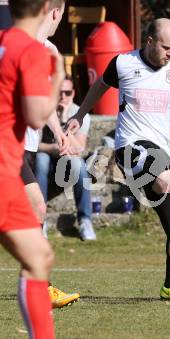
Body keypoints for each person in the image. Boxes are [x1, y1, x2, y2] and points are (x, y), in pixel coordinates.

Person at [66, 18, 170, 302]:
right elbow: (99, 86)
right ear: (149, 42)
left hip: (162, 148)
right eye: (165, 47)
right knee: (167, 181)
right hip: (130, 146)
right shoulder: (123, 63)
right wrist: (80, 114)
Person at [0, 0, 65, 336]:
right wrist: (59, 77)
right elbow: (36, 115)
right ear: (49, 9)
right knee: (38, 259)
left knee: (38, 257)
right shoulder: (34, 51)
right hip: (2, 171)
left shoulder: (2, 41)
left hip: (7, 171)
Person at [18, 0, 81, 309]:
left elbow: (43, 103)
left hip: (26, 146)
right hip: (10, 145)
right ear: (54, 12)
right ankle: (39, 287)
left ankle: (36, 285)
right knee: (37, 208)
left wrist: (58, 132)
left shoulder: (51, 51)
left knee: (32, 212)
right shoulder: (19, 45)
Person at [35, 75, 96, 241]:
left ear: (73, 93)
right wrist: (53, 148)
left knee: (80, 166)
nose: (63, 97)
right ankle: (40, 220)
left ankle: (85, 220)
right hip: (45, 157)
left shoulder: (80, 114)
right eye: (59, 92)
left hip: (67, 160)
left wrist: (63, 122)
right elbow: (34, 145)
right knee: (41, 159)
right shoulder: (43, 111)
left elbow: (79, 148)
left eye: (67, 93)